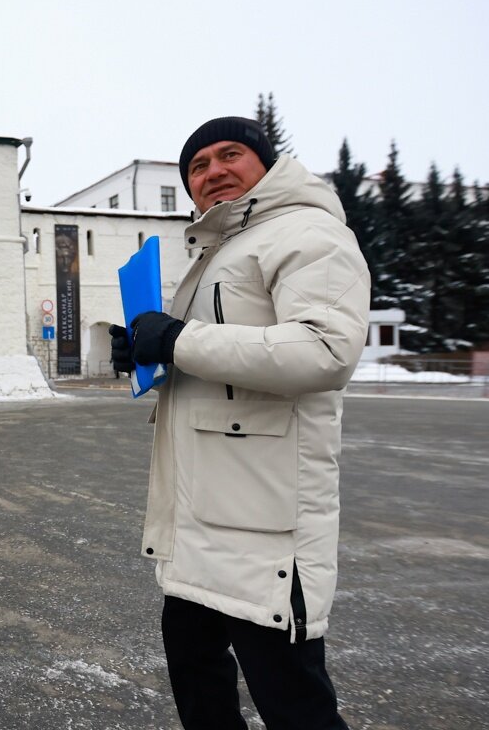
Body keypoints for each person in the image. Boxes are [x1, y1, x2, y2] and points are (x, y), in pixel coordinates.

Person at [110, 116, 370, 730]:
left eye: (230, 155)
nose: (213, 172)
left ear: (267, 164)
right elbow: (218, 361)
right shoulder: (219, 252)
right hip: (201, 517)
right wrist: (150, 356)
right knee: (199, 688)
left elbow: (324, 351)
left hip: (266, 522)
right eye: (197, 166)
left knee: (294, 704)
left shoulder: (308, 233)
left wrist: (177, 338)